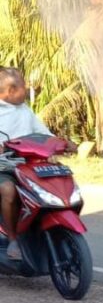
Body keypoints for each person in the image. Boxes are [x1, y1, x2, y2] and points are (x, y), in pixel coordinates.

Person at [0, 67, 52, 260]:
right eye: (23, 86)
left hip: (27, 166)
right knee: (8, 190)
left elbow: (43, 133)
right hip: (2, 168)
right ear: (10, 91)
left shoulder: (25, 111)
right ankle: (13, 239)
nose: (27, 89)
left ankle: (38, 231)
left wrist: (61, 142)